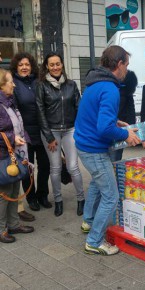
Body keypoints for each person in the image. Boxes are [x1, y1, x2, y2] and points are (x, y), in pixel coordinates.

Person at [74, 45, 141, 255]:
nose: (127, 71)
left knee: (97, 182)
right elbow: (103, 128)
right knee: (111, 195)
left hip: (84, 146)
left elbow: (97, 117)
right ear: (119, 64)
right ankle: (94, 241)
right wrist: (126, 135)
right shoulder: (111, 89)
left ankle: (88, 221)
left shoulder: (95, 82)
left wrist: (117, 123)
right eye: (127, 65)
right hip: (93, 150)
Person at [36, 52, 85, 217]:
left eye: (58, 64)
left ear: (62, 65)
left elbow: (79, 108)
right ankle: (58, 201)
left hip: (70, 129)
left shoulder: (71, 85)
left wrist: (80, 129)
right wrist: (48, 136)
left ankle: (81, 200)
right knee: (55, 167)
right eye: (52, 64)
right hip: (51, 132)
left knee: (73, 167)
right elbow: (40, 112)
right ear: (47, 67)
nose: (55, 67)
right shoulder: (41, 85)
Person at [10, 52, 51, 213]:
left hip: (42, 131)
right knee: (27, 168)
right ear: (16, 67)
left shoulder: (38, 81)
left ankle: (43, 195)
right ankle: (31, 197)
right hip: (24, 133)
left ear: (31, 66)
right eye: (21, 65)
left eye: (27, 64)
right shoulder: (13, 84)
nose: (24, 67)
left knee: (45, 165)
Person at [0, 68, 34, 243]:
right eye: (9, 81)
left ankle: (13, 224)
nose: (13, 84)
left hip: (12, 154)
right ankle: (1, 229)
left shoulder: (9, 101)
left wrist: (24, 140)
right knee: (4, 194)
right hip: (2, 156)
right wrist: (14, 138)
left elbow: (18, 126)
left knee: (13, 190)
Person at [109, 69, 137, 162]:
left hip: (119, 127)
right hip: (114, 127)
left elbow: (130, 109)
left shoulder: (123, 91)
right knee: (114, 158)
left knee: (115, 157)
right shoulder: (115, 90)